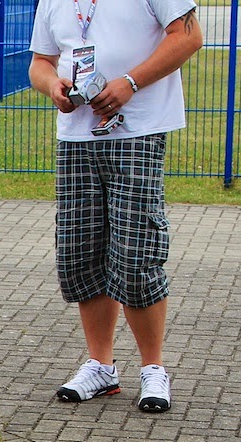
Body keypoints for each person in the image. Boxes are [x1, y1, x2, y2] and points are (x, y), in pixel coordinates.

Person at [29, 0, 202, 413]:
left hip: (137, 130)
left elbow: (190, 36)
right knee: (81, 251)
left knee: (136, 250)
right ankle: (101, 365)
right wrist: (52, 85)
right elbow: (40, 61)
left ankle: (153, 369)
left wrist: (130, 82)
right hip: (77, 136)